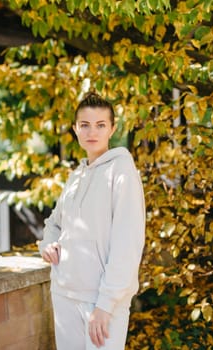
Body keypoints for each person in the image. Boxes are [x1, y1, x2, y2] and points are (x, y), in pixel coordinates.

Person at [39, 92, 145, 349]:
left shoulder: (122, 170)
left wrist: (105, 305)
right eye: (84, 125)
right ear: (75, 129)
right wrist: (48, 244)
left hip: (101, 302)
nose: (91, 132)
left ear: (112, 129)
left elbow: (128, 243)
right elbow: (54, 223)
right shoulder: (76, 175)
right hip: (64, 293)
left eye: (100, 125)